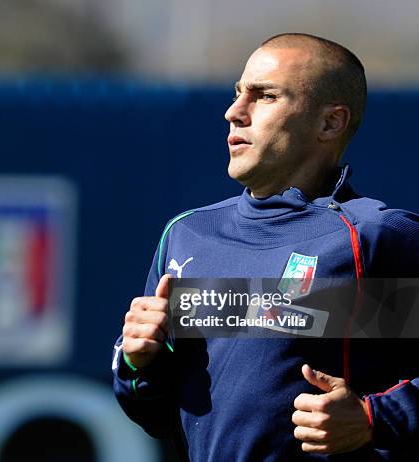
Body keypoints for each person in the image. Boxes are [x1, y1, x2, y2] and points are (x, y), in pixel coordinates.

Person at [112, 33, 419, 461]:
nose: (234, 112)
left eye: (265, 96)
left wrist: (374, 417)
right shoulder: (188, 234)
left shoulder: (375, 237)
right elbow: (157, 414)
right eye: (238, 93)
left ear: (329, 123)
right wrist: (137, 365)